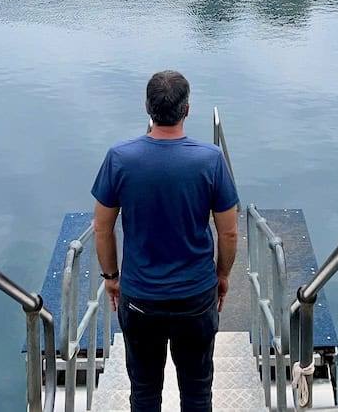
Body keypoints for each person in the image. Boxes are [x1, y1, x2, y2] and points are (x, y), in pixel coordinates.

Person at [91, 70, 239, 412]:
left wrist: (112, 278)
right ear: (187, 109)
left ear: (148, 107)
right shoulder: (210, 160)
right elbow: (229, 232)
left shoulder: (120, 158)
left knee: (144, 393)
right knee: (197, 392)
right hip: (196, 297)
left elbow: (102, 228)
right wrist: (222, 275)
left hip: (141, 298)